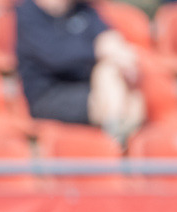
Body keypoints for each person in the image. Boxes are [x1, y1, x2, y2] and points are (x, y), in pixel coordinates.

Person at [16, 0, 145, 139]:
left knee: (113, 73)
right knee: (117, 95)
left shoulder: (83, 9)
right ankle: (117, 135)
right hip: (48, 94)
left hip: (89, 86)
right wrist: (98, 50)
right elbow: (56, 58)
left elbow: (108, 38)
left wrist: (121, 56)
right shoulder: (28, 13)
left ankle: (117, 132)